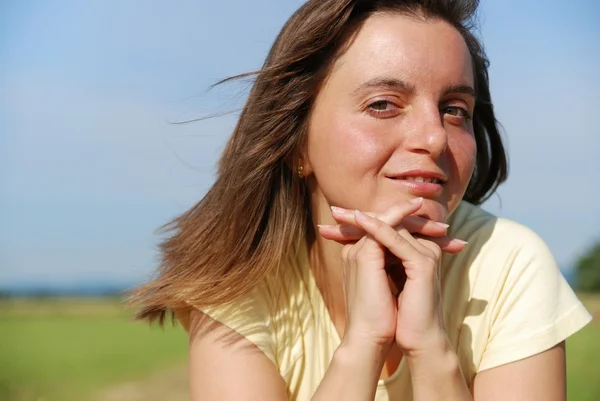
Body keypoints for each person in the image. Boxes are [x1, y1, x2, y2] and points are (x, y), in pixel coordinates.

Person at [130, 0, 592, 400]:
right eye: (383, 105)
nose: (434, 137)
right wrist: (362, 346)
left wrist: (430, 350)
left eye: (455, 110)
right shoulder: (238, 284)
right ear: (294, 143)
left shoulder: (509, 263)